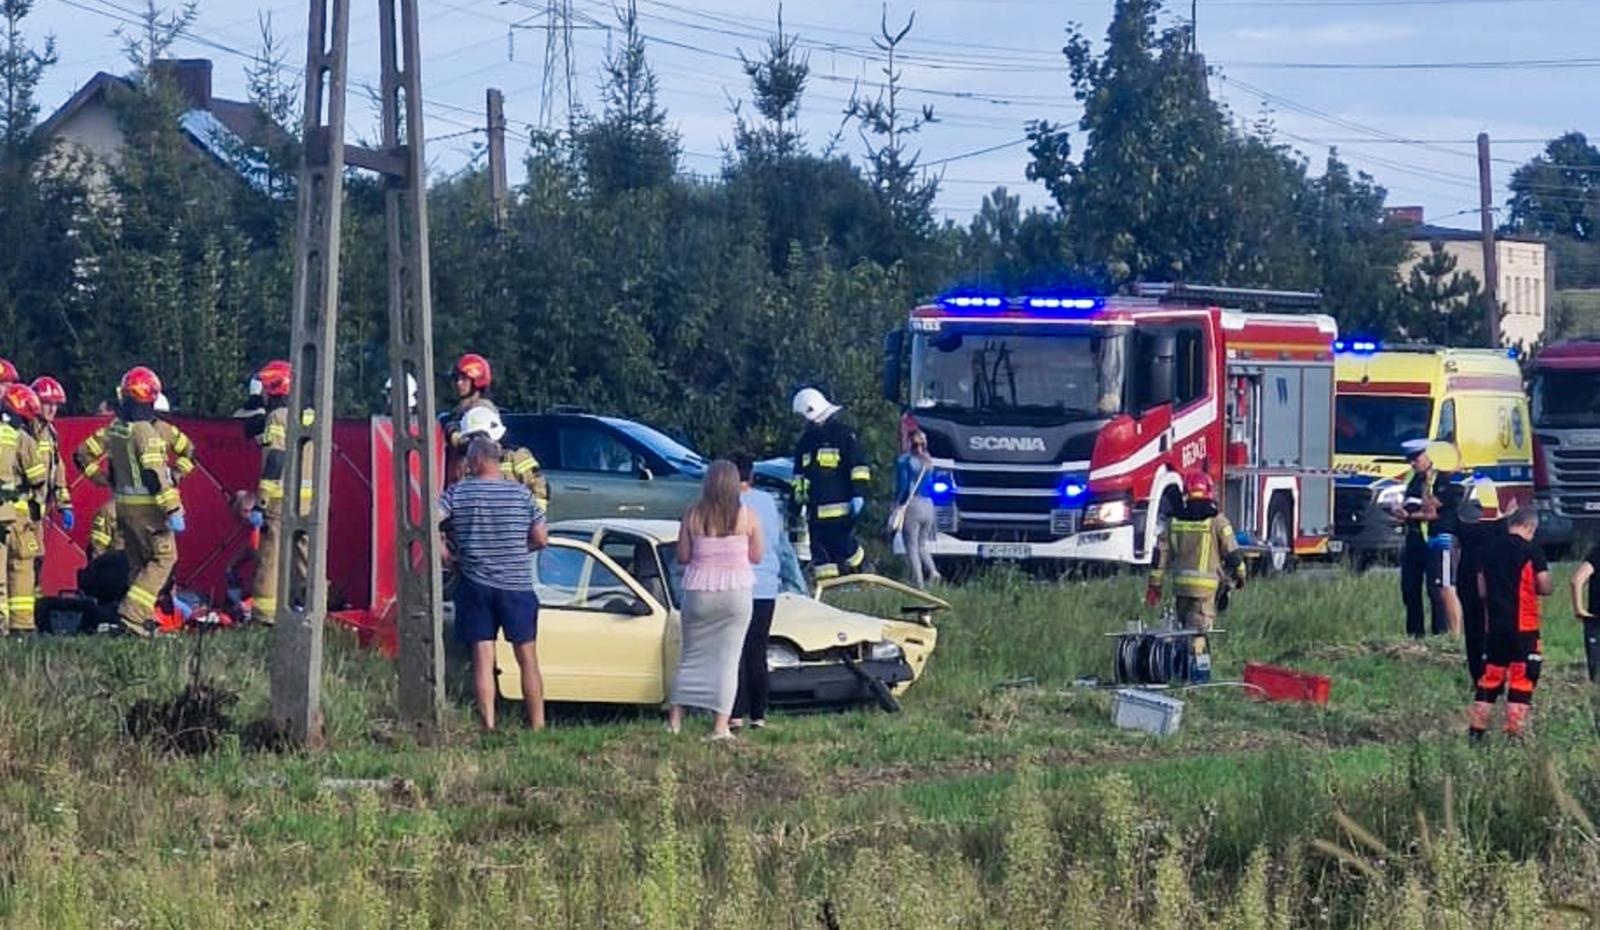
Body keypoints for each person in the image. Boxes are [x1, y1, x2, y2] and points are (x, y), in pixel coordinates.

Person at [439, 436, 549, 732]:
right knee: (527, 658)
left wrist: (445, 553)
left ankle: (488, 724)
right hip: (517, 585)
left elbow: (430, 521)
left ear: (475, 461)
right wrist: (517, 548)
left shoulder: (457, 493)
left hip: (475, 585)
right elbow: (541, 538)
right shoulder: (522, 495)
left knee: (483, 658)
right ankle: (537, 725)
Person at [668, 459, 762, 741]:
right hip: (736, 593)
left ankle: (674, 721)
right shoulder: (748, 515)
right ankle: (720, 727)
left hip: (699, 591)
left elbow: (683, 557)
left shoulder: (692, 514)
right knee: (728, 660)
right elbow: (757, 556)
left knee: (690, 656)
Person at [105, 366, 185, 637]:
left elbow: (112, 471)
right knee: (165, 557)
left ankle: (140, 621)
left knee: (139, 564)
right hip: (149, 511)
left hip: (125, 507)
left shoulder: (117, 429)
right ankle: (132, 613)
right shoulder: (145, 432)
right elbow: (154, 475)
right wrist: (172, 508)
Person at [1470, 507, 1551, 740]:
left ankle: (1476, 733)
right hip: (1523, 628)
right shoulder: (1531, 550)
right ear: (1529, 526)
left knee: (1490, 680)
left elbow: (1481, 590)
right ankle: (1514, 735)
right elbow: (1545, 586)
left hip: (1494, 627)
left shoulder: (1488, 550)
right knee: (1522, 679)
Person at [1146, 469, 1245, 660]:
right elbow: (1232, 552)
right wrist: (1241, 575)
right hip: (1205, 590)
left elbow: (1160, 555)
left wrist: (1155, 585)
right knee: (1198, 632)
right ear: (1208, 491)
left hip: (1181, 587)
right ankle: (1195, 675)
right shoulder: (1217, 520)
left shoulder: (1173, 521)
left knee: (1182, 630)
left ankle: (1176, 668)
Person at [729, 453, 796, 730]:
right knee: (757, 650)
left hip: (737, 584)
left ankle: (734, 712)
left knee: (735, 651)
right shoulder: (768, 502)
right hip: (767, 585)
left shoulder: (728, 505)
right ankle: (759, 714)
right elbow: (781, 544)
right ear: (752, 475)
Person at [248, 360, 311, 624]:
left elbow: (275, 457)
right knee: (305, 557)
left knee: (271, 557)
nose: (261, 393)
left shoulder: (277, 417)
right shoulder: (308, 416)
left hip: (279, 499)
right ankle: (311, 608)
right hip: (307, 501)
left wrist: (261, 501)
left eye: (263, 388)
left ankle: (264, 616)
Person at [791, 387, 869, 580]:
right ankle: (829, 595)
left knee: (845, 549)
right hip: (815, 514)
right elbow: (799, 478)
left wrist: (857, 494)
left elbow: (858, 467)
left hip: (840, 512)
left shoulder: (843, 435)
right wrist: (797, 505)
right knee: (821, 559)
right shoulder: (804, 443)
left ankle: (863, 574)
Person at [1390, 440, 1462, 639]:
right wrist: (1399, 509)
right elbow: (1402, 501)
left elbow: (1431, 511)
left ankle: (1441, 633)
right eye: (1410, 460)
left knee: (1438, 589)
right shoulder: (1412, 479)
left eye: (1417, 458)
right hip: (1415, 538)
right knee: (1410, 588)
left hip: (1437, 538)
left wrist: (1409, 514)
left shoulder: (1444, 479)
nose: (1413, 463)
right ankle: (1415, 635)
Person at [0, 384, 47, 632]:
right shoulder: (21, 438)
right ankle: (22, 624)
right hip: (14, 513)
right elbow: (37, 477)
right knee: (21, 565)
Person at [1455, 479, 1508, 686]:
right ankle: (1494, 675)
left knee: (1472, 629)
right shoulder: (1499, 525)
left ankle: (1477, 674)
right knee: (1493, 628)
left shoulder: (1464, 526)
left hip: (1467, 579)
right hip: (1492, 580)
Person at [458, 405, 551, 513]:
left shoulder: (516, 456)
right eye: (471, 437)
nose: (475, 441)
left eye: (478, 436)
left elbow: (539, 486)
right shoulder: (470, 462)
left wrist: (533, 517)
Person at [893, 429, 940, 589]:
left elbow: (904, 487)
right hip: (929, 505)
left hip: (913, 504)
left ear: (909, 443)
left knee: (911, 547)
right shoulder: (928, 461)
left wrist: (897, 504)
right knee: (922, 545)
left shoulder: (905, 461)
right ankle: (933, 571)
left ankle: (918, 584)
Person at [1569, 535, 1600, 685]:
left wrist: (1579, 608)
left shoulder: (1597, 552)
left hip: (1595, 618)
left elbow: (1577, 580)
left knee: (1596, 673)